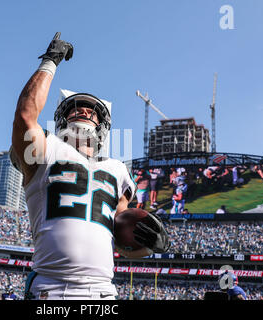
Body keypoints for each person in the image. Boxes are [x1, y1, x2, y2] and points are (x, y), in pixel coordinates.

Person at [10, 32, 170, 300]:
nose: (85, 112)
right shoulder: (48, 150)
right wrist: (50, 62)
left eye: (91, 110)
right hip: (51, 288)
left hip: (102, 293)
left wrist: (149, 245)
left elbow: (121, 236)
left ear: (102, 126)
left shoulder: (117, 168)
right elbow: (25, 116)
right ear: (61, 119)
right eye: (77, 108)